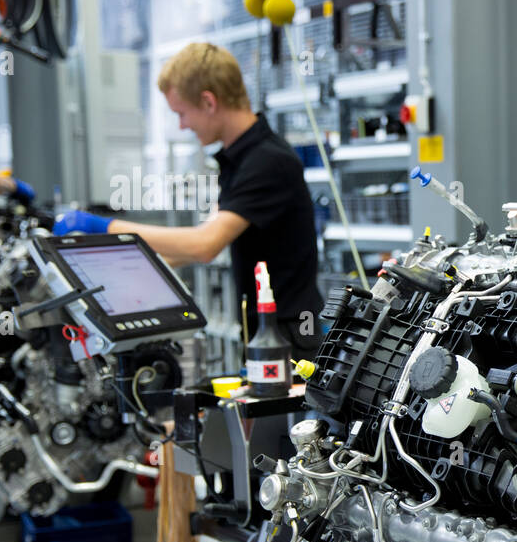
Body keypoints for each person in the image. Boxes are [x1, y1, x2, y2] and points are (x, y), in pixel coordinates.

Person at [53, 42, 323, 359]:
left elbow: (203, 245)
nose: (182, 125)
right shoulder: (241, 159)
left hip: (290, 338)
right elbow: (197, 245)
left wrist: (100, 226)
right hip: (264, 332)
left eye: (182, 113)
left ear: (208, 102)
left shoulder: (267, 162)